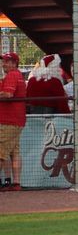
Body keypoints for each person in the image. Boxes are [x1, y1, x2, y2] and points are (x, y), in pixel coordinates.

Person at [0, 52, 26, 192]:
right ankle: (15, 183)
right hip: (16, 119)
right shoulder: (17, 75)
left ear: (14, 63)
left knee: (1, 152)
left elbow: (8, 94)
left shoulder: (12, 75)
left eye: (7, 61)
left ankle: (8, 182)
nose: (3, 64)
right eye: (3, 61)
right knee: (14, 152)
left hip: (9, 120)